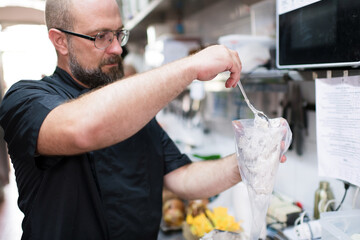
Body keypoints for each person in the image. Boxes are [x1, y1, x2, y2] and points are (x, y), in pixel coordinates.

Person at [0, 0, 286, 239]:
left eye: (117, 34)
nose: (117, 49)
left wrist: (249, 160)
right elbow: (83, 129)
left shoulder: (134, 110)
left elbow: (183, 177)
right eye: (101, 36)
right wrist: (191, 66)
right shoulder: (25, 100)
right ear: (60, 41)